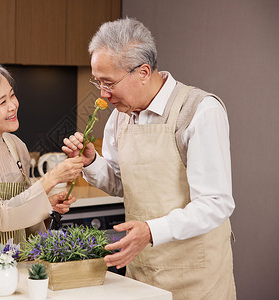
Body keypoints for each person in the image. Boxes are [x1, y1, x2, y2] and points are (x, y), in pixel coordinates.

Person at [62, 18, 236, 299]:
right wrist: (92, 162)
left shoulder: (199, 111)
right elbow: (122, 183)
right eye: (98, 82)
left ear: (143, 72)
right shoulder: (119, 117)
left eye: (109, 83)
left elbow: (215, 204)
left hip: (196, 276)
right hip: (142, 272)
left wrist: (150, 231)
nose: (103, 95)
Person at [0, 58, 83, 265]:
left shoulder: (16, 145)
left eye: (12, 95)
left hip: (16, 264)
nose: (13, 106)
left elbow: (22, 209)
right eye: (2, 102)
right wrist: (52, 178)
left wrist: (46, 204)